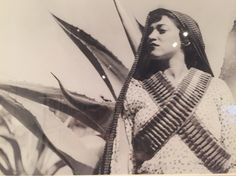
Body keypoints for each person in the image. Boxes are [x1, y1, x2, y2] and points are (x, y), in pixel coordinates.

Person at [96, 8, 236, 174]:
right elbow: (120, 161)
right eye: (150, 31)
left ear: (185, 38)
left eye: (161, 30)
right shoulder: (135, 91)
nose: (151, 36)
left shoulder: (218, 89)